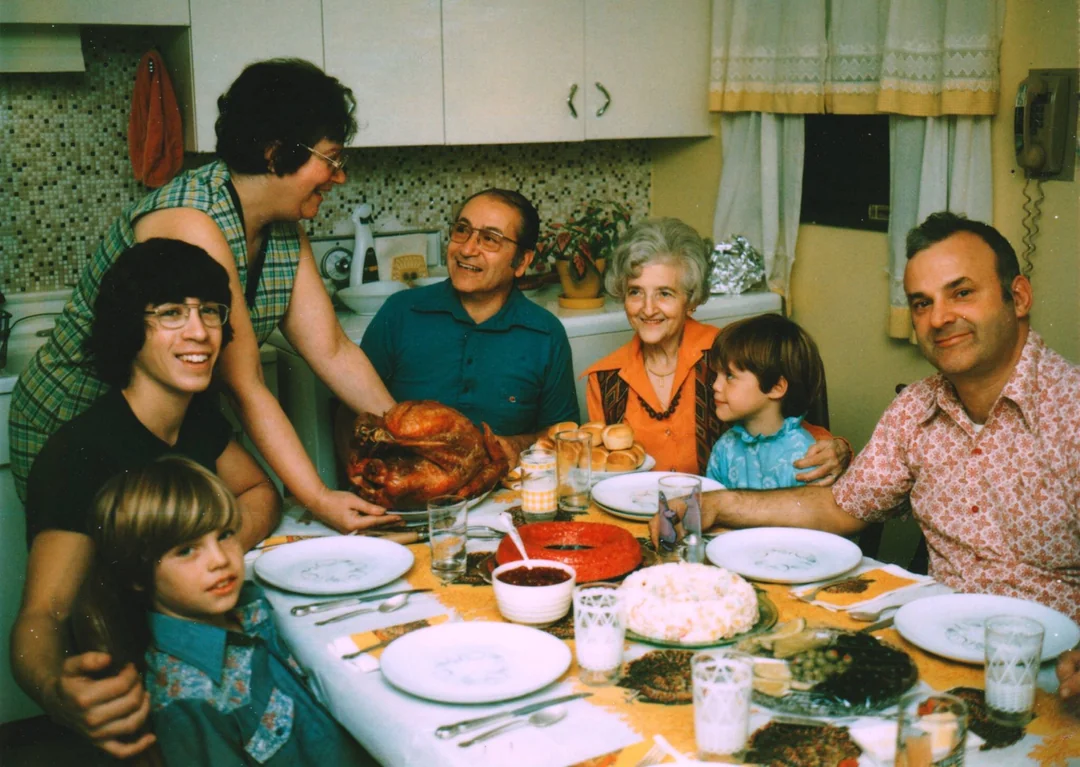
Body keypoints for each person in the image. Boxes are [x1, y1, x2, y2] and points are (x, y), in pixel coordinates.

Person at [9, 58, 399, 534]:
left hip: (169, 423)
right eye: (331, 159)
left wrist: (412, 441)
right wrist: (317, 497)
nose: (339, 177)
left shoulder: (282, 225)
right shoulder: (191, 218)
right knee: (104, 584)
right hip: (77, 421)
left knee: (178, 565)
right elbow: (243, 382)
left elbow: (333, 351)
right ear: (277, 154)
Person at [651, 212, 1080, 622]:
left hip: (1056, 662)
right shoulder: (915, 409)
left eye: (962, 293)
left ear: (1018, 297)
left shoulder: (1071, 411)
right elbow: (843, 507)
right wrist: (715, 504)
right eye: (921, 303)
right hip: (937, 639)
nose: (940, 318)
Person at [11, 239, 282, 758]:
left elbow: (258, 490)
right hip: (155, 704)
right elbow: (41, 615)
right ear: (127, 330)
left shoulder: (197, 416)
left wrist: (204, 563)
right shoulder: (81, 454)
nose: (200, 332)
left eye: (210, 313)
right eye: (171, 313)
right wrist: (54, 692)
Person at [90, 456, 373, 765]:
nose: (219, 559)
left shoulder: (248, 608)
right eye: (186, 550)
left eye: (224, 535)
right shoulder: (187, 698)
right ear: (137, 575)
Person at [584, 217, 850, 478]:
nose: (648, 308)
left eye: (664, 293)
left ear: (692, 299)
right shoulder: (604, 378)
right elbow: (600, 471)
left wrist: (839, 449)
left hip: (724, 513)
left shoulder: (727, 355)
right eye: (635, 292)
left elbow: (786, 428)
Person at [357, 188, 579, 458]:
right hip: (403, 489)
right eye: (462, 230)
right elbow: (352, 412)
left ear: (522, 262)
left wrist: (511, 446)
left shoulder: (545, 333)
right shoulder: (400, 313)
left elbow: (562, 434)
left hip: (507, 493)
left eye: (489, 239)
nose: (467, 249)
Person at [706, 314, 827, 490]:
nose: (716, 385)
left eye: (730, 376)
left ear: (776, 387)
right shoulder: (725, 448)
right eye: (716, 375)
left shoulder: (805, 456)